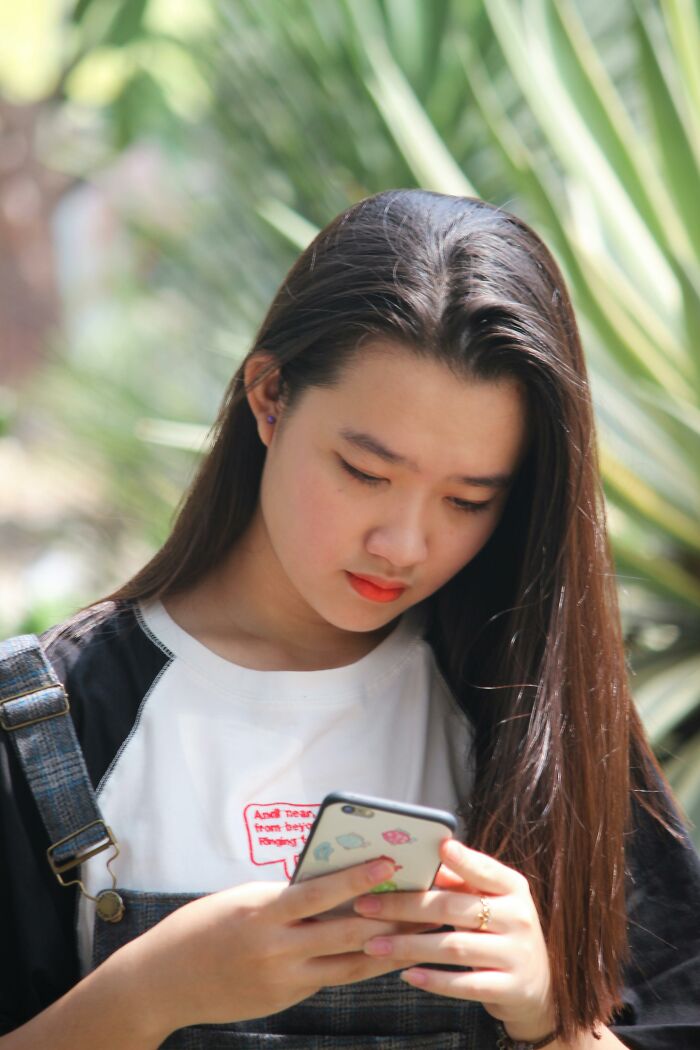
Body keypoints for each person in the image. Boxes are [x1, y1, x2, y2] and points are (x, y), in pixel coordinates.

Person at [1, 189, 699, 1050]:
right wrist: (150, 993)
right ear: (269, 398)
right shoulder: (53, 721)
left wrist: (554, 1022)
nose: (404, 544)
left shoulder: (536, 713)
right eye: (366, 473)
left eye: (467, 499)